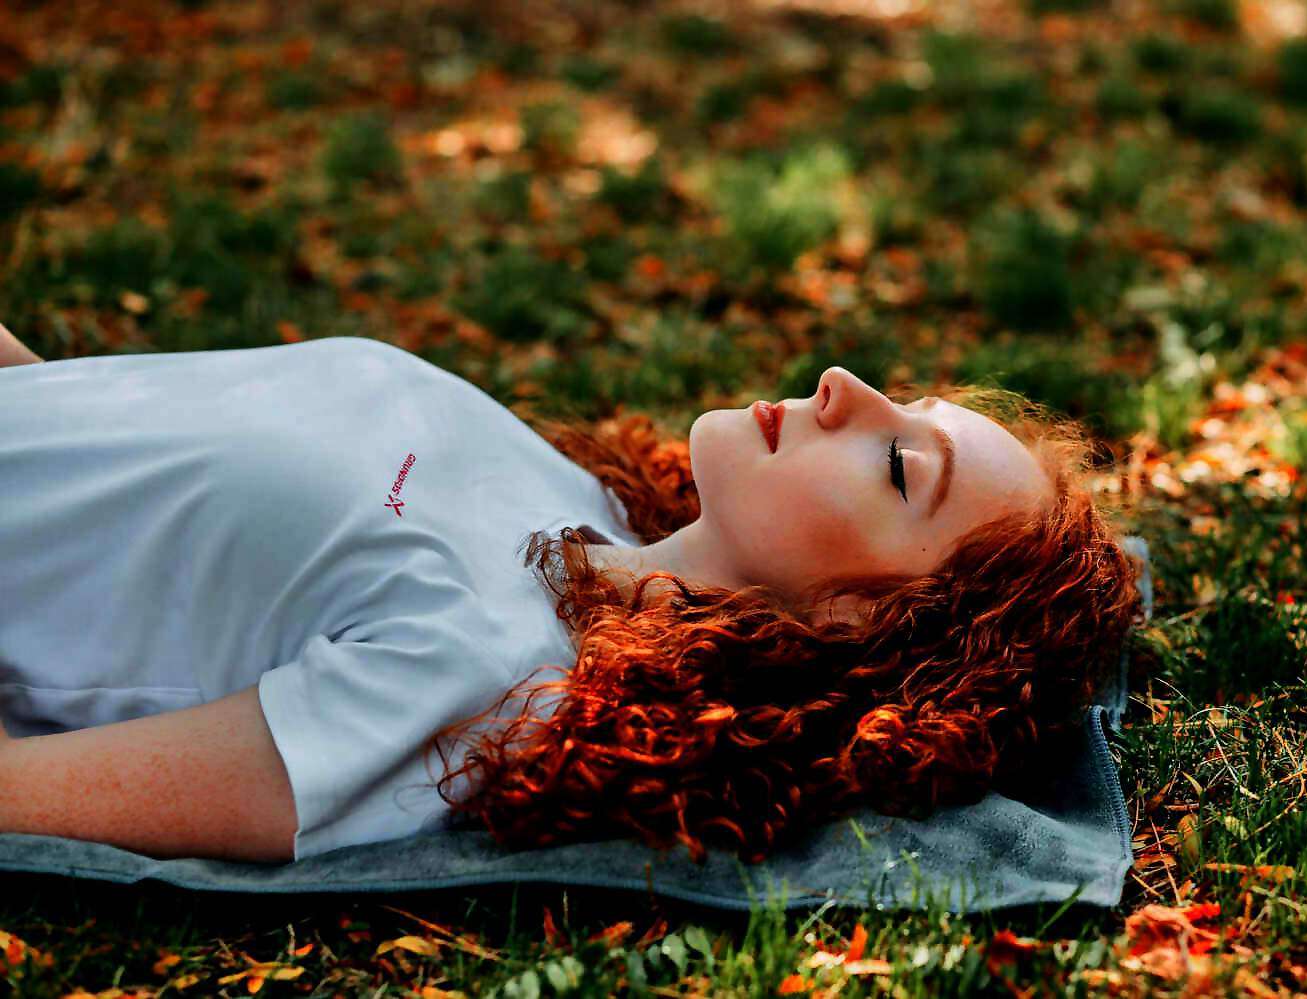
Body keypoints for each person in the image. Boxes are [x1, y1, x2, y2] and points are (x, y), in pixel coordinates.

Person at [0, 333, 1142, 867]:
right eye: (910, 404)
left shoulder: (488, 682)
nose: (848, 385)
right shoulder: (575, 499)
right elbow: (103, 448)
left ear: (860, 623)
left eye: (897, 465)